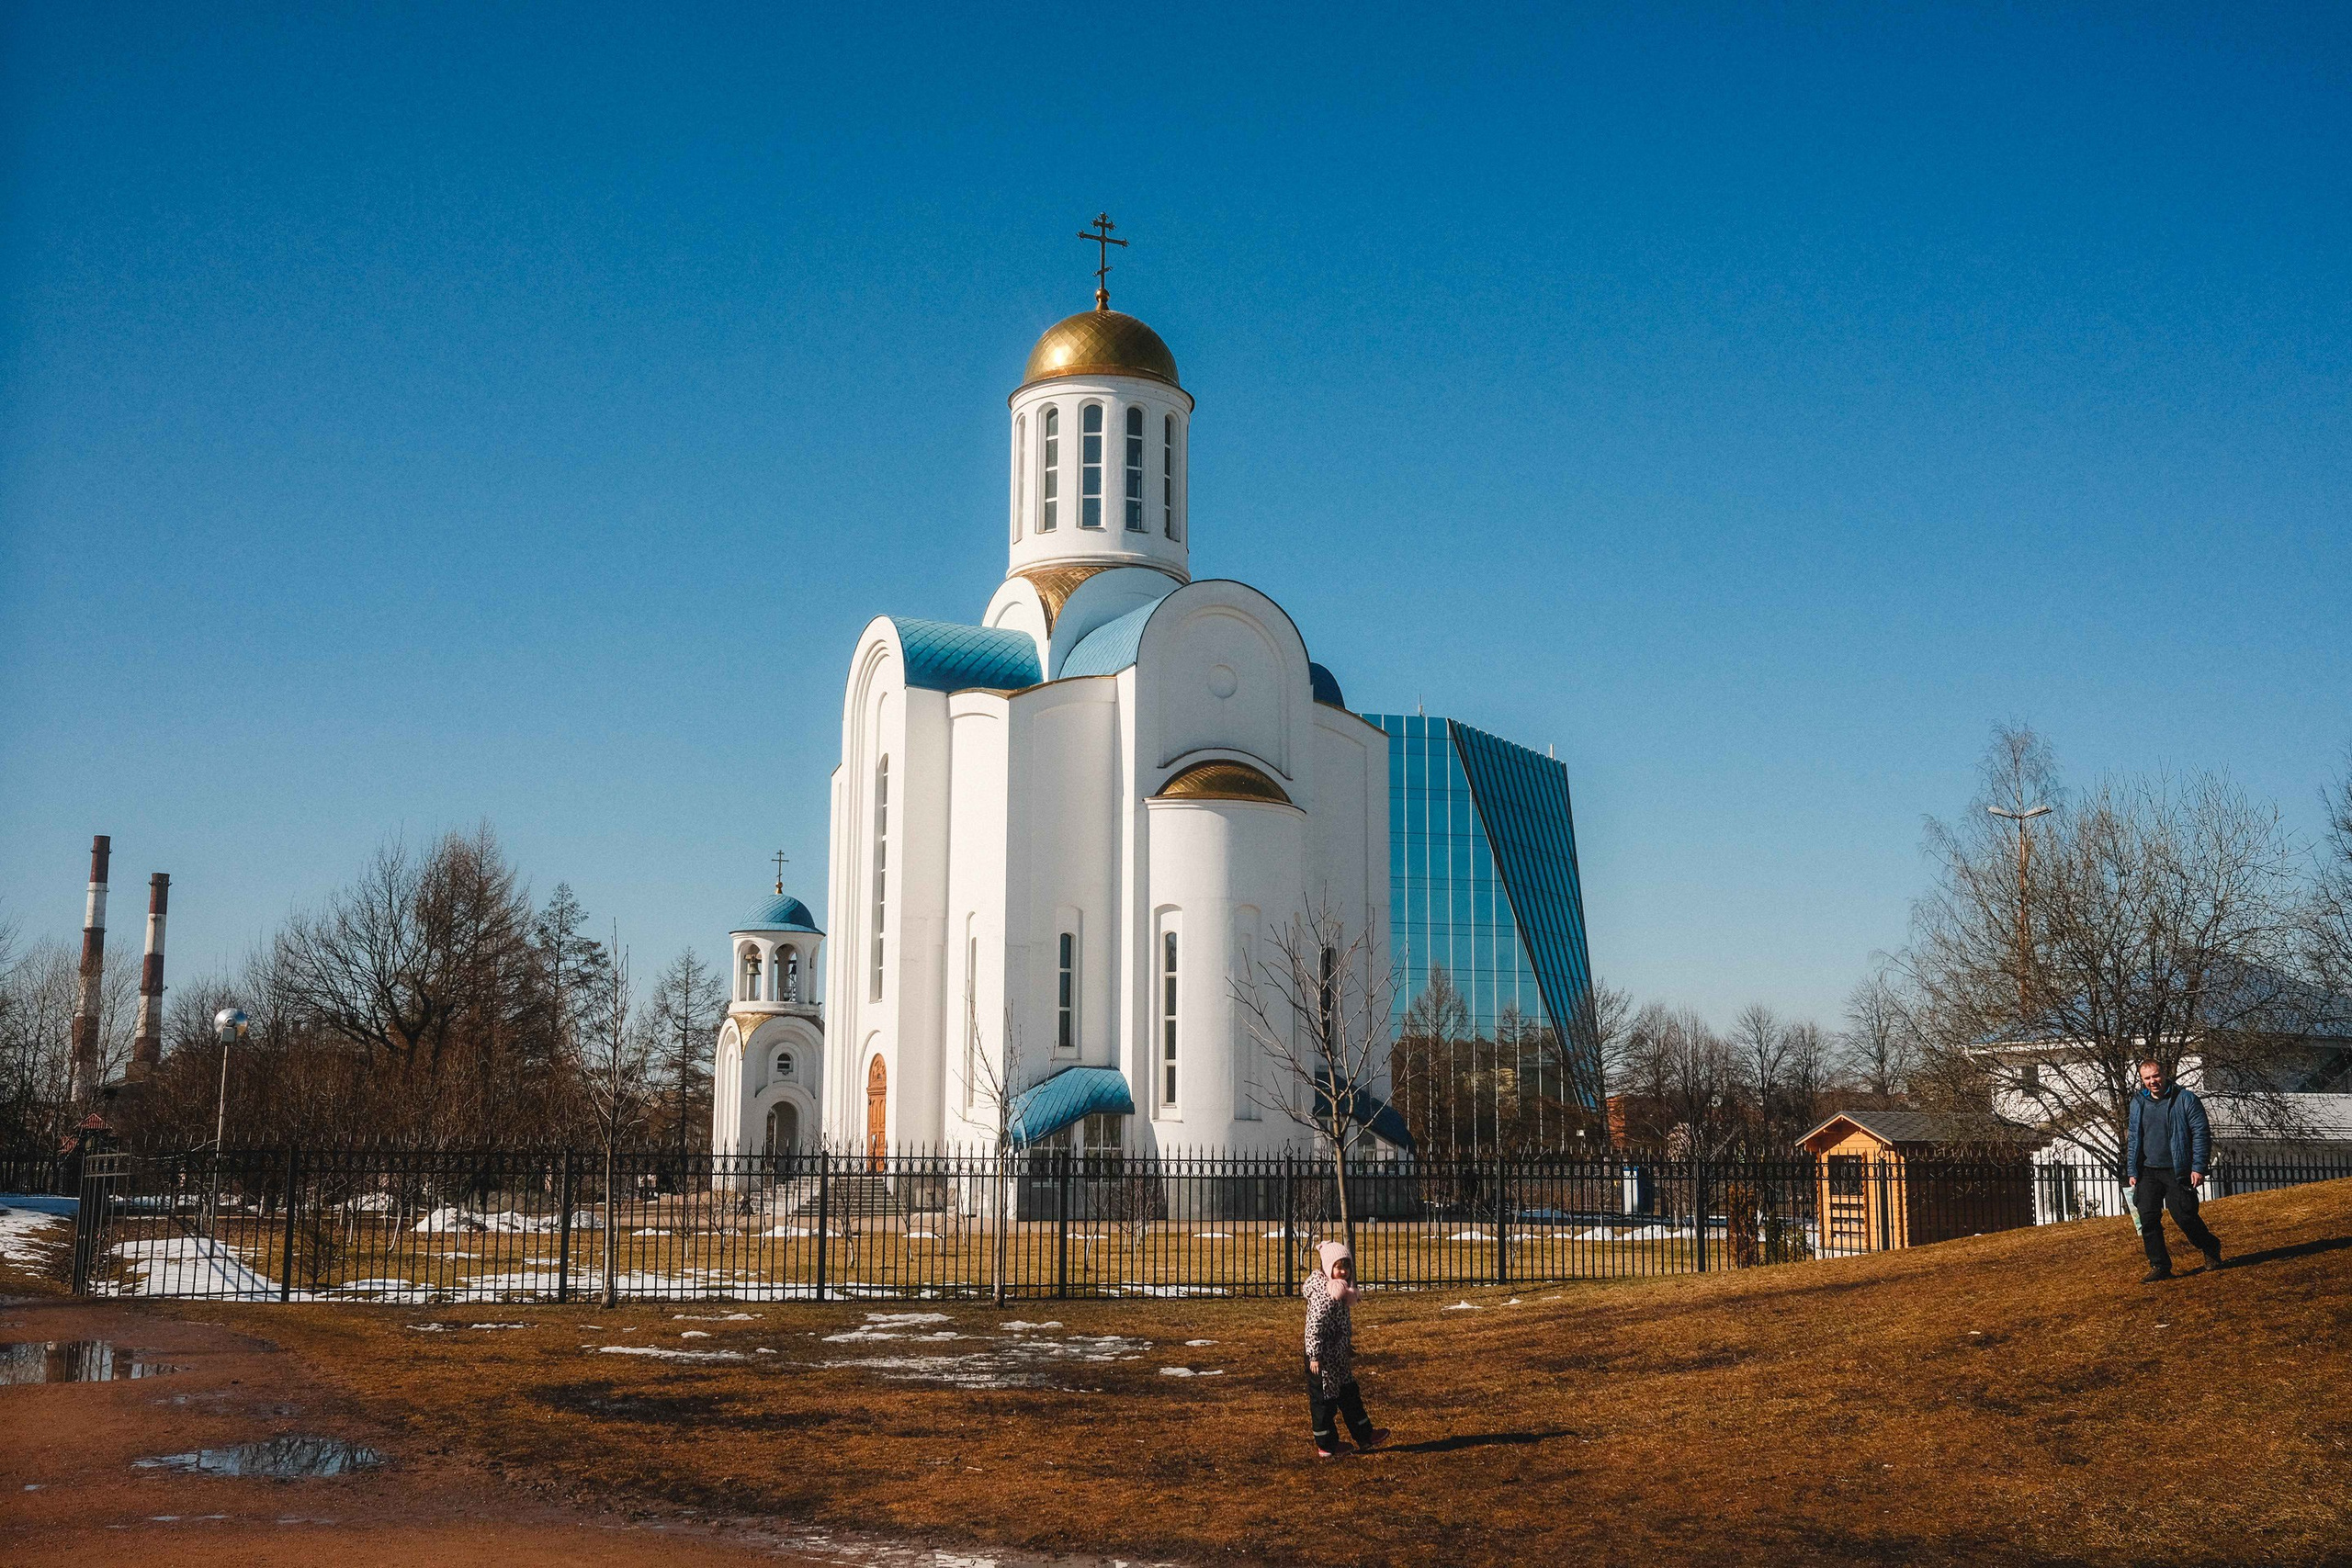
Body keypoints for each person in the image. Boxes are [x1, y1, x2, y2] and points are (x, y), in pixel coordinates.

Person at [2124, 1057, 2223, 1283]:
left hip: (2177, 1169)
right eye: (2147, 1078)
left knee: (2184, 1216)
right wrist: (2132, 1171)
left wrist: (2198, 1167)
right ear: (2142, 1080)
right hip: (2147, 1170)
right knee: (2147, 1218)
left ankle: (2209, 1245)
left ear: (2165, 1073)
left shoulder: (2186, 1100)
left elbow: (2201, 1134)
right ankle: (2160, 1265)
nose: (2153, 1082)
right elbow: (2134, 1139)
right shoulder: (2138, 1103)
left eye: (2156, 1076)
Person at [1302, 1239, 1390, 1460]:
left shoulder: (1341, 1291)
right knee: (1324, 1400)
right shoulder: (1324, 1295)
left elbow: (1340, 1323)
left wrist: (1346, 1345)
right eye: (1338, 1267)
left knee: (1350, 1394)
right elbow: (1314, 1327)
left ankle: (1365, 1434)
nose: (1343, 1272)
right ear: (1328, 1267)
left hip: (1338, 1355)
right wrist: (1314, 1356)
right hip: (1321, 1358)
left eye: (1346, 1267)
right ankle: (1326, 1444)